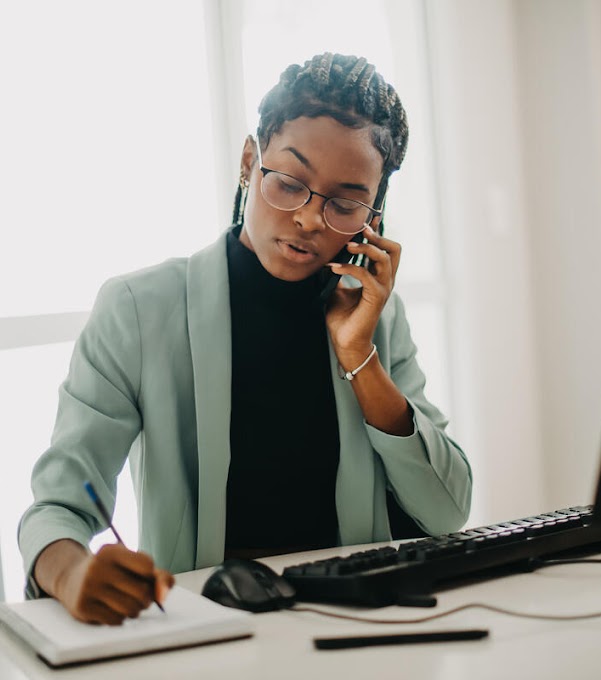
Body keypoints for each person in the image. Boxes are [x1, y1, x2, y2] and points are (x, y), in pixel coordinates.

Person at [18, 53, 472, 625]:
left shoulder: (375, 317)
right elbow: (58, 502)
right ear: (248, 161)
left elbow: (447, 509)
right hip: (206, 632)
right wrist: (69, 571)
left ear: (373, 217)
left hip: (357, 624)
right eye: (289, 182)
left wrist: (361, 358)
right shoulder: (138, 311)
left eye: (345, 203)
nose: (309, 219)